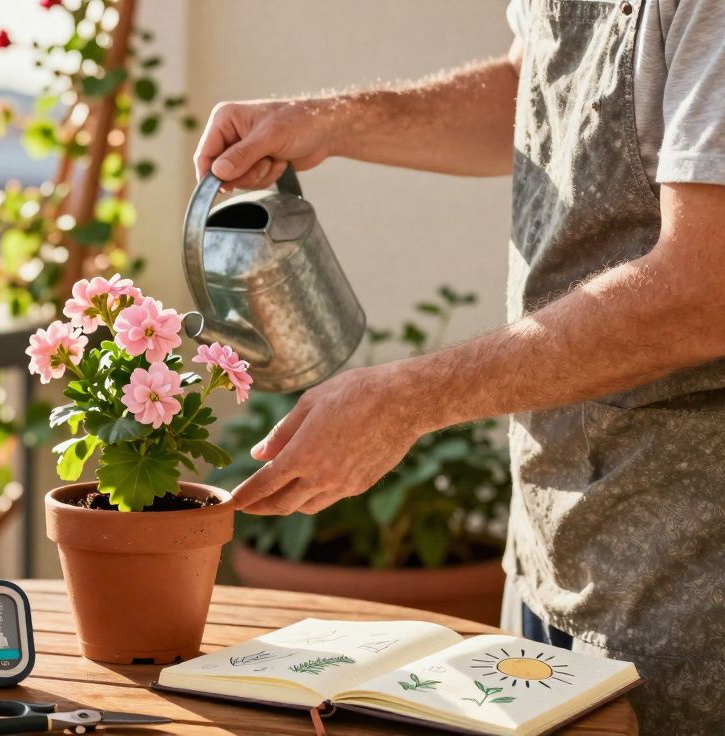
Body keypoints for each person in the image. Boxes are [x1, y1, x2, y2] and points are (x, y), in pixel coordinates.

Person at [193, 2, 725, 733]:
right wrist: (329, 120)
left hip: (691, 580)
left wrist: (411, 398)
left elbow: (705, 289)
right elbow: (529, 83)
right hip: (553, 538)